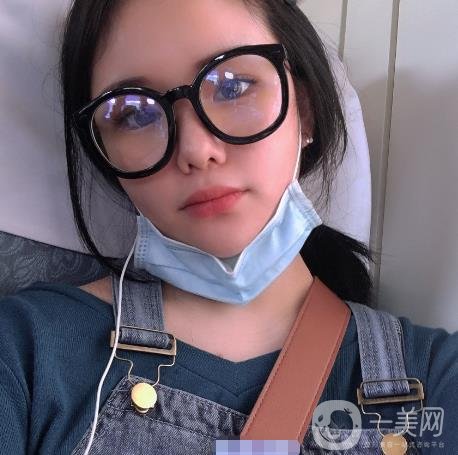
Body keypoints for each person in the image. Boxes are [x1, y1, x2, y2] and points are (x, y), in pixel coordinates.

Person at [0, 0, 456, 453]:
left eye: (234, 86)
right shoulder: (26, 351)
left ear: (306, 108)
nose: (196, 150)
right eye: (134, 113)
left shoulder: (434, 378)